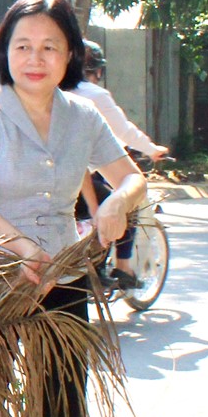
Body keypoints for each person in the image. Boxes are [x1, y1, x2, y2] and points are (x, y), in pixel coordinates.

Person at [0, 0, 145, 417]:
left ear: (70, 54)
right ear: (4, 51)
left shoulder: (84, 116)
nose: (35, 58)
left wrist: (118, 202)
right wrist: (25, 250)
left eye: (49, 47)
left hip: (63, 276)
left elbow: (133, 178)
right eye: (23, 46)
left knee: (63, 409)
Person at [72, 39, 167, 289]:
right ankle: (121, 267)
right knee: (125, 204)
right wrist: (152, 150)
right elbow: (123, 132)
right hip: (76, 180)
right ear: (97, 70)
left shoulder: (53, 93)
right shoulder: (93, 97)